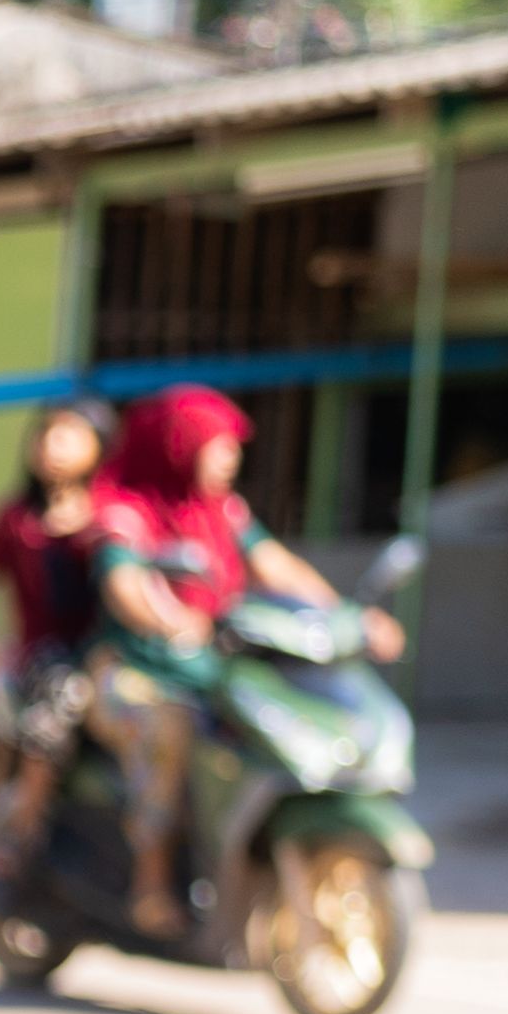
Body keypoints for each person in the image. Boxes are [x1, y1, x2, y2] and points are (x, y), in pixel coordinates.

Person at [88, 382, 396, 936]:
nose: (230, 459)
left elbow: (277, 567)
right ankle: (150, 884)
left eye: (232, 448)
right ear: (179, 446)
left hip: (210, 668)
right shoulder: (127, 511)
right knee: (167, 737)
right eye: (218, 447)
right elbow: (124, 585)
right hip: (136, 673)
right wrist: (169, 621)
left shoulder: (222, 511)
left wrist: (347, 618)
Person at [0, 397, 112, 876]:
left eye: (68, 433)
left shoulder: (115, 514)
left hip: (112, 653)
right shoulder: (17, 518)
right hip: (49, 658)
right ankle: (22, 830)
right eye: (45, 433)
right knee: (56, 709)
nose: (52, 444)